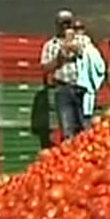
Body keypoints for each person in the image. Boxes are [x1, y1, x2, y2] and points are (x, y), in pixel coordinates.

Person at [42, 10, 99, 139]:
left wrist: (78, 50)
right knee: (67, 129)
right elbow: (45, 68)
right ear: (57, 25)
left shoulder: (84, 40)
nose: (66, 26)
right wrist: (58, 60)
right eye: (63, 23)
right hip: (63, 88)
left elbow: (95, 59)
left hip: (83, 88)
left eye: (68, 23)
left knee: (86, 127)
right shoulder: (50, 45)